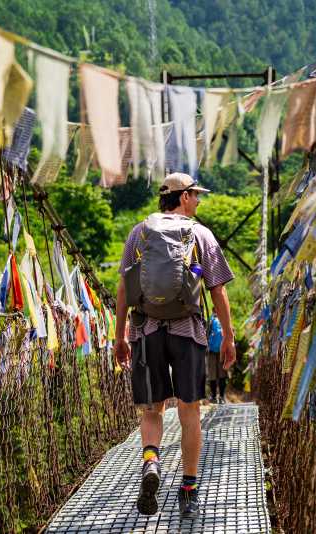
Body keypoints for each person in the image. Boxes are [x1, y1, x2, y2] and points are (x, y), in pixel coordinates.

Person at [114, 173, 237, 518]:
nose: (198, 201)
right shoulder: (201, 233)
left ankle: (151, 460)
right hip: (188, 332)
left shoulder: (139, 232)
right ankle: (188, 490)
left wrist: (119, 335)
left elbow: (124, 289)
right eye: (195, 195)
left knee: (153, 410)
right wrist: (228, 336)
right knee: (189, 411)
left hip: (146, 331)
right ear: (183, 198)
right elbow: (218, 290)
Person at [206, 314, 228, 403]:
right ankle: (222, 397)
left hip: (211, 352)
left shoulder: (210, 321)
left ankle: (214, 397)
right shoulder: (225, 319)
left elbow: (205, 334)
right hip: (222, 351)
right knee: (222, 374)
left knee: (212, 374)